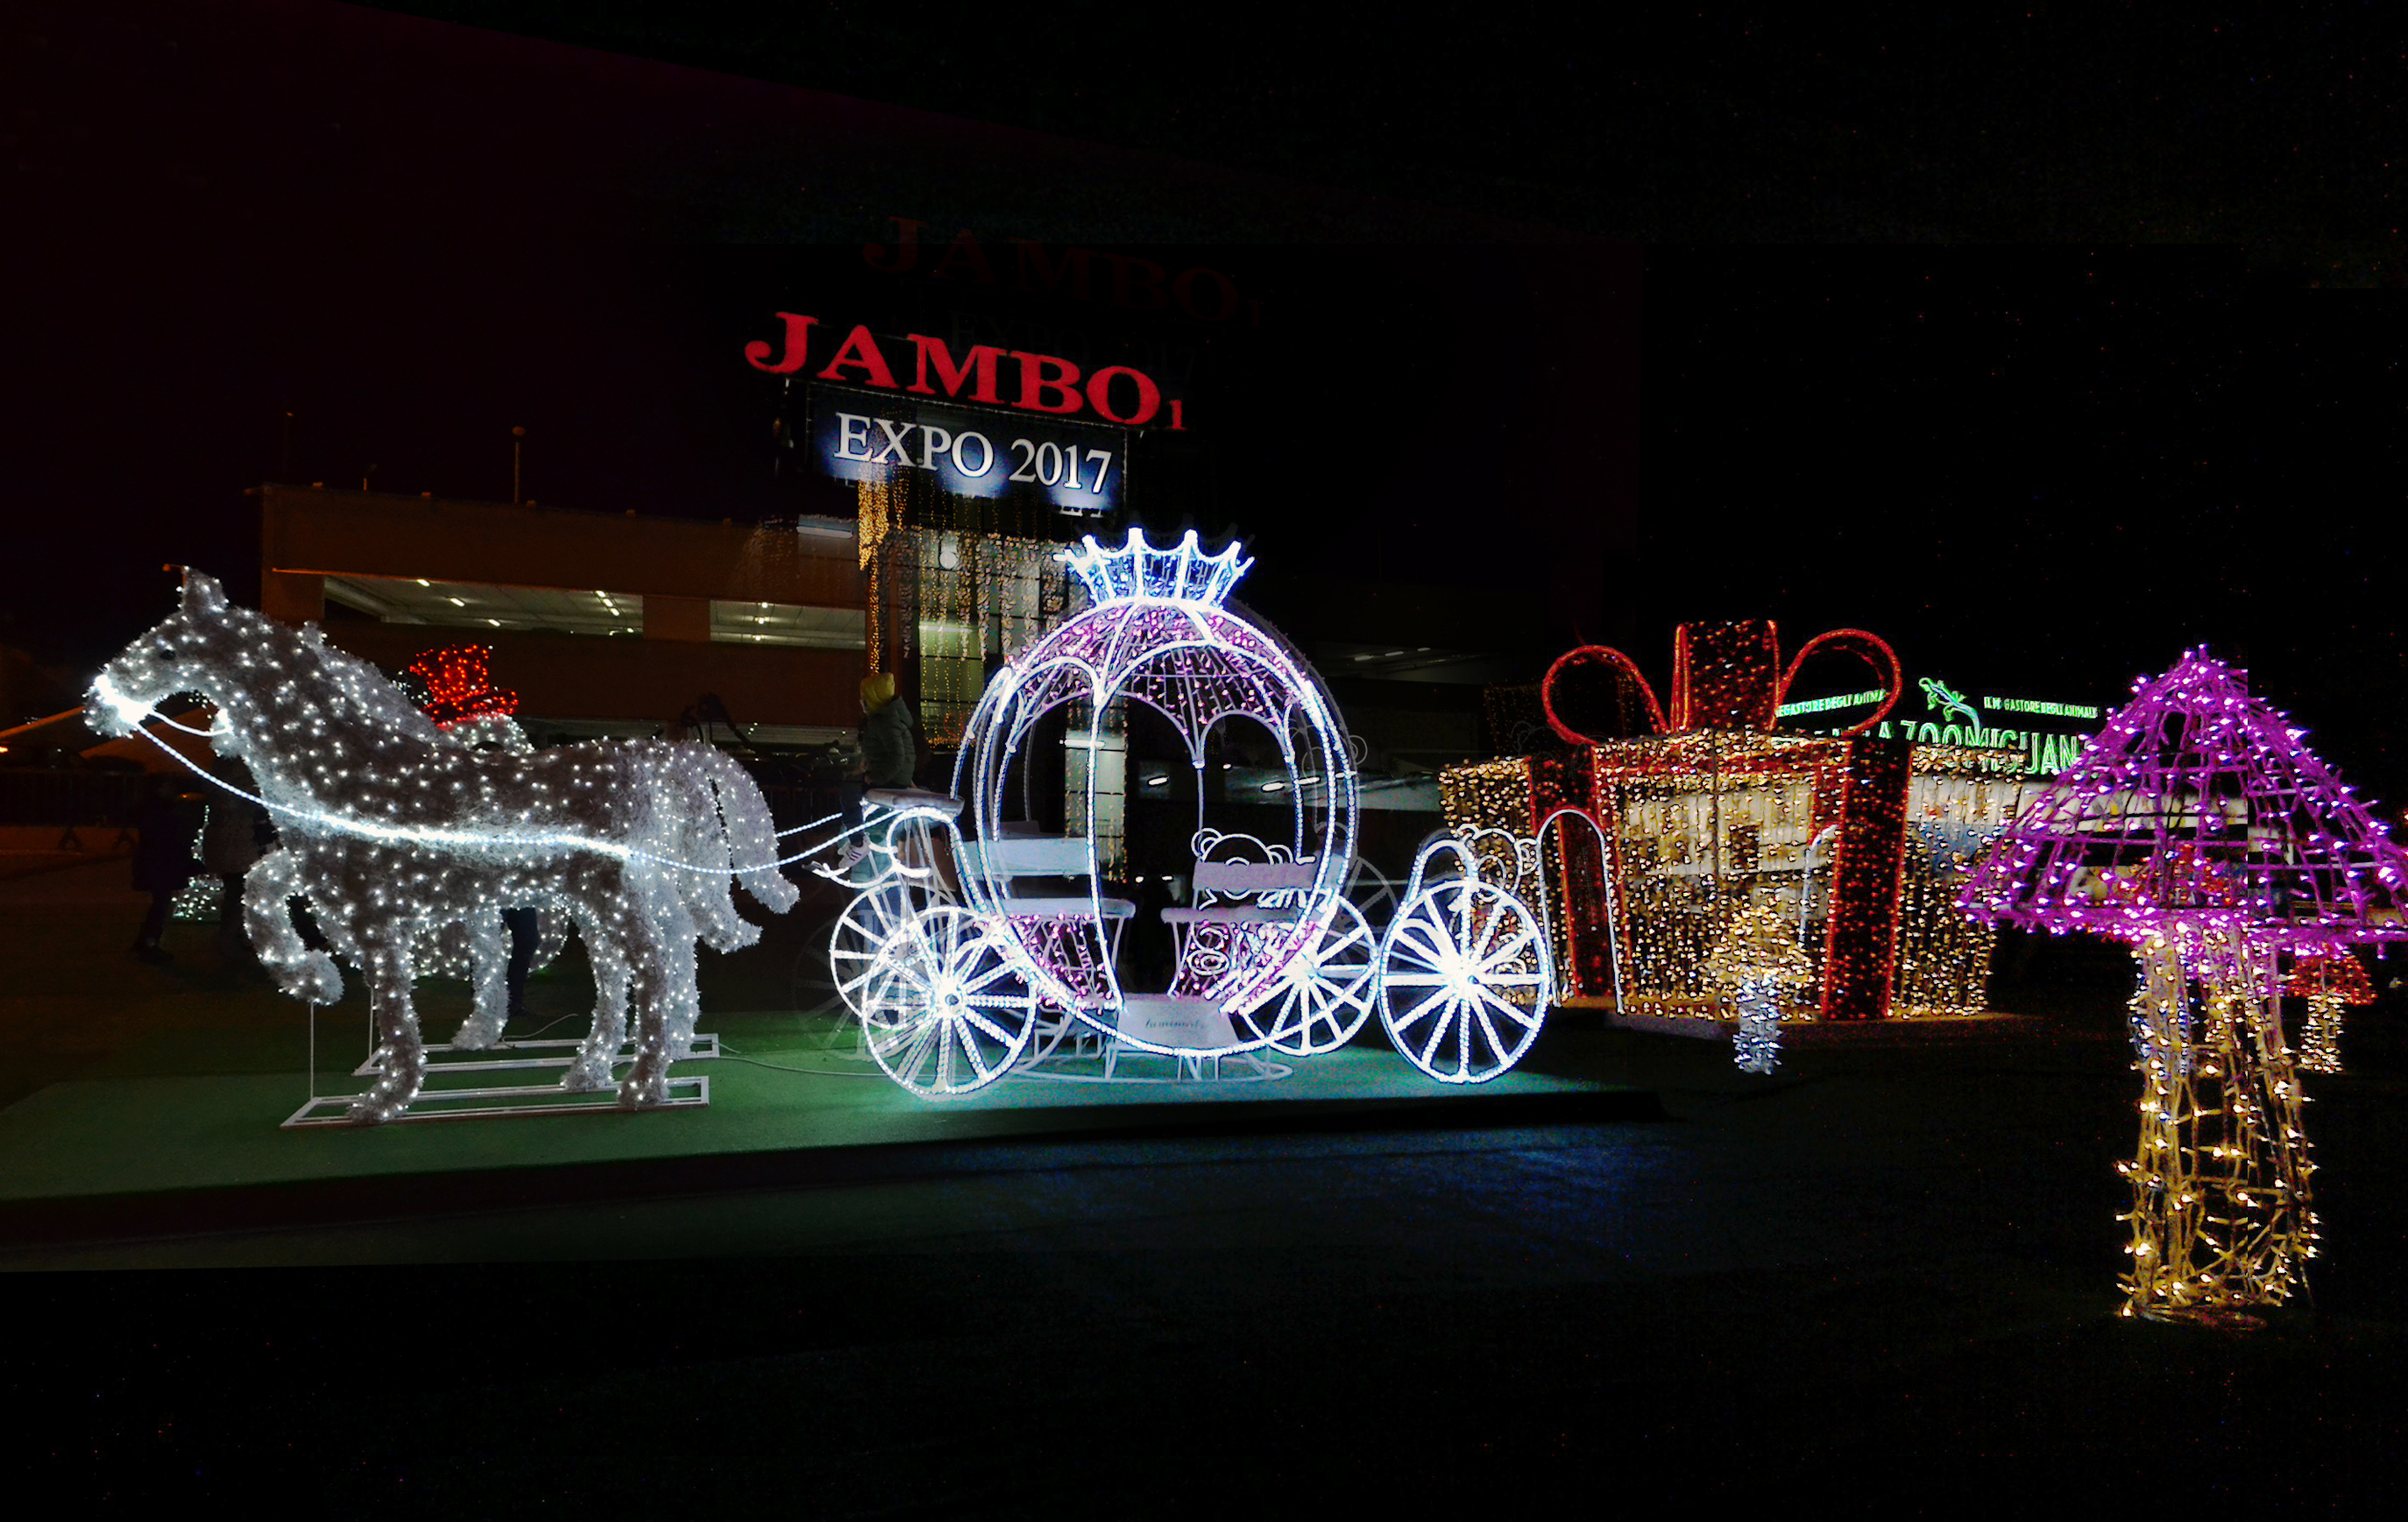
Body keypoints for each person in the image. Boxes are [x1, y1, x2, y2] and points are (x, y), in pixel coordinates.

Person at [830, 672, 922, 877]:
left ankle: (858, 843)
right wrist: (869, 765)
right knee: (850, 786)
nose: (860, 702)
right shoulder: (886, 720)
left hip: (892, 780)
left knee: (849, 791)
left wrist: (876, 777)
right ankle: (856, 840)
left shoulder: (886, 722)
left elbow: (897, 757)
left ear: (874, 698)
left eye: (864, 698)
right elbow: (891, 753)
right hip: (894, 777)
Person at [198, 755, 266, 969]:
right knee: (238, 897)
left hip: (236, 847)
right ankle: (228, 944)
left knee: (240, 896)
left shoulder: (221, 782)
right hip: (237, 848)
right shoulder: (234, 789)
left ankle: (234, 940)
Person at [129, 773, 204, 963]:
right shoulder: (161, 811)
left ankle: (145, 940)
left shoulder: (152, 809)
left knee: (160, 903)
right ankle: (149, 943)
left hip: (155, 861)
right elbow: (169, 838)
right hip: (161, 862)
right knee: (160, 904)